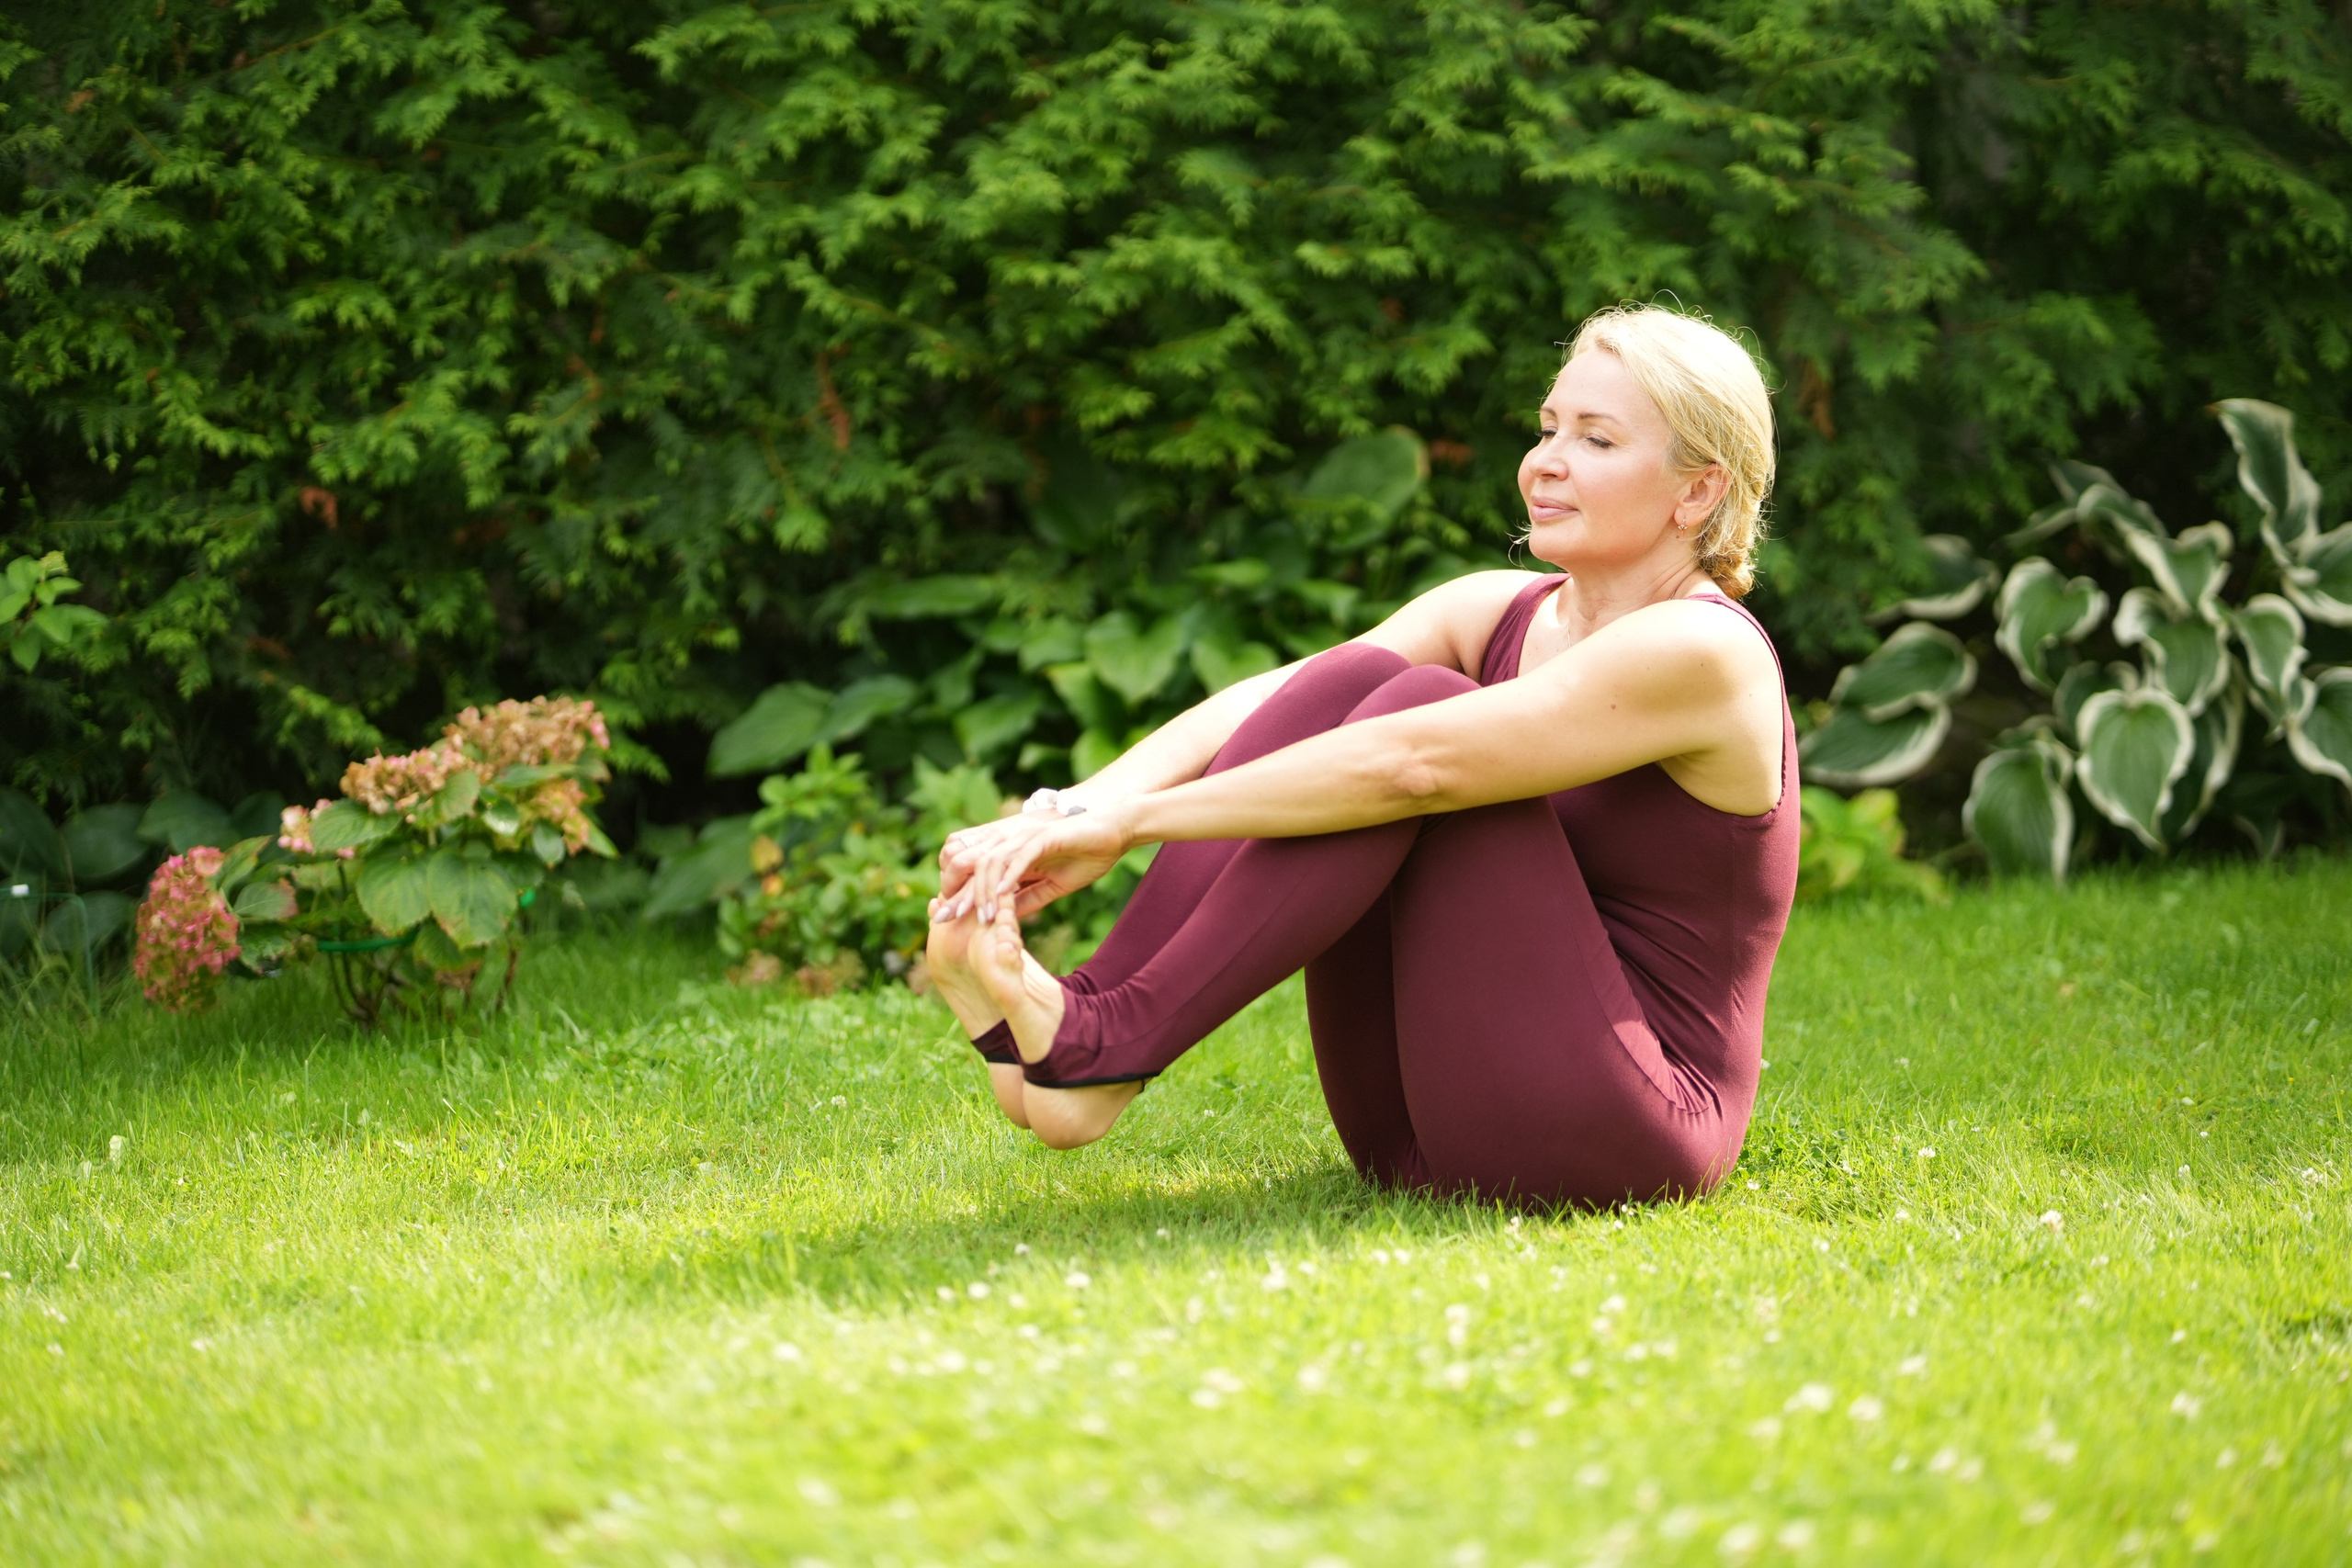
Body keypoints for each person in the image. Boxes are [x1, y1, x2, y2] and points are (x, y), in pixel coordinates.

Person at [924, 303, 1797, 1208]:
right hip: (1411, 1133)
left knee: (1423, 711)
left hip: (1620, 1133)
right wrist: (1066, 812)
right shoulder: (1499, 608)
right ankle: (1085, 1029)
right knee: (1353, 680)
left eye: (1597, 440)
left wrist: (1133, 825)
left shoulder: (1704, 654)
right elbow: (1277, 703)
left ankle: (1102, 1046)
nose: (1545, 462)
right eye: (1546, 429)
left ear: (1697, 491)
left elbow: (1413, 764)